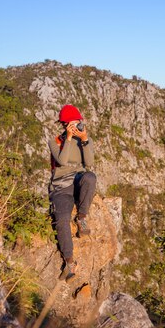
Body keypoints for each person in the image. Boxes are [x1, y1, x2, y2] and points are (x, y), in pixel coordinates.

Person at [48, 104, 96, 282]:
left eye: (79, 123)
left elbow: (89, 163)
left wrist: (84, 140)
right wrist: (68, 138)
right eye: (74, 124)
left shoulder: (84, 139)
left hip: (77, 180)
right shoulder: (55, 142)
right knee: (61, 219)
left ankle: (82, 217)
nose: (78, 127)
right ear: (65, 125)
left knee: (90, 177)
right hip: (60, 186)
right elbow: (62, 161)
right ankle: (69, 262)